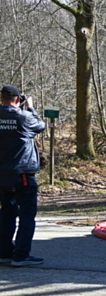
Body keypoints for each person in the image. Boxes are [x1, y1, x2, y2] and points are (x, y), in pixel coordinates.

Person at [0, 85, 46, 267]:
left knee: (6, 213)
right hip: (23, 174)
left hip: (2, 173)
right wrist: (32, 108)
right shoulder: (24, 116)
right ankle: (21, 255)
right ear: (18, 99)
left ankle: (4, 252)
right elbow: (41, 125)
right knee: (27, 215)